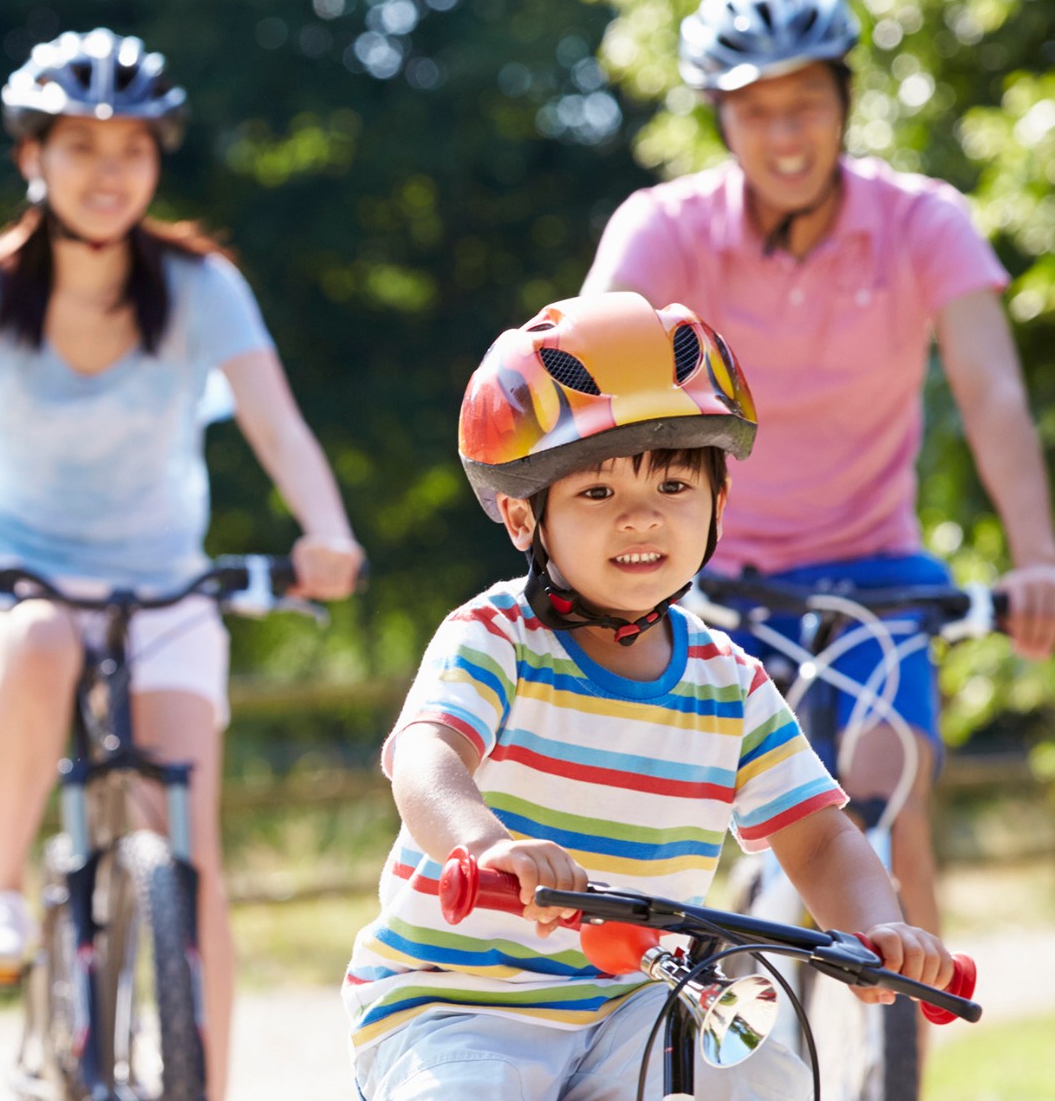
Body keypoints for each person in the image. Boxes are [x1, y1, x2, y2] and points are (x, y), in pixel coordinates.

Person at [0, 27, 364, 1101]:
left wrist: (324, 531)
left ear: (157, 163)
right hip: (2, 584)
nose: (108, 172)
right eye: (80, 146)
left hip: (160, 590)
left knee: (186, 852)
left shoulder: (200, 286)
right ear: (30, 160)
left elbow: (278, 428)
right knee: (44, 641)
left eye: (132, 150)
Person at [581, 0, 1055, 948]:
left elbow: (992, 393)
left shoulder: (921, 222)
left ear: (843, 102)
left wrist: (1036, 554)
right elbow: (581, 375)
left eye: (804, 104)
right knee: (667, 817)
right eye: (755, 110)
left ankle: (893, 1051)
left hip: (874, 572)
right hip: (705, 576)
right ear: (720, 120)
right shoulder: (665, 229)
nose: (784, 134)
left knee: (884, 794)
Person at [344, 294, 953, 1100]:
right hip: (457, 1004)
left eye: (673, 486)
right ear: (526, 517)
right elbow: (427, 759)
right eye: (597, 495)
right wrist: (486, 844)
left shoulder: (728, 679)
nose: (641, 519)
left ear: (718, 508)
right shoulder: (495, 636)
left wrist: (878, 925)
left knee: (763, 1068)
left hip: (640, 997)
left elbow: (817, 837)